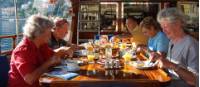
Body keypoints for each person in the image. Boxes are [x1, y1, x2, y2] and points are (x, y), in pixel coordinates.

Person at [8, 15, 69, 87]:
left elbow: (53, 56)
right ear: (39, 32)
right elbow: (29, 79)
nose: (50, 35)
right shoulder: (22, 50)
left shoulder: (42, 45)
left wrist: (61, 54)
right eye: (49, 32)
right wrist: (49, 63)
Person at [152, 7, 198, 87]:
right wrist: (160, 58)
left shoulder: (191, 44)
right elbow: (171, 66)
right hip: (169, 81)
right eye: (162, 27)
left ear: (177, 24)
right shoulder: (172, 41)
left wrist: (171, 65)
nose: (163, 31)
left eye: (165, 27)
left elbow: (195, 81)